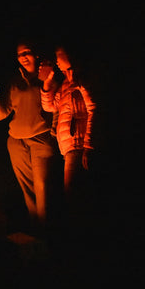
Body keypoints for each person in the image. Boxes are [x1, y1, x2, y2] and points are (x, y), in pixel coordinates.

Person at [0, 40, 57, 233]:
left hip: (41, 137)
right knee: (27, 188)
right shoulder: (14, 81)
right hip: (16, 140)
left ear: (36, 54)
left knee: (42, 188)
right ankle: (37, 231)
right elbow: (1, 114)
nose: (23, 57)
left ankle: (48, 231)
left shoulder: (48, 76)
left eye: (27, 52)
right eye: (19, 54)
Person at [40, 44, 96, 229]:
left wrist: (88, 145)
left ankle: (81, 239)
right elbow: (51, 107)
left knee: (75, 196)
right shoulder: (66, 82)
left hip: (78, 144)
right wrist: (47, 84)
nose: (56, 60)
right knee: (72, 196)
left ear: (69, 57)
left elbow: (93, 109)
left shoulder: (81, 80)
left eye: (59, 56)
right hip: (68, 147)